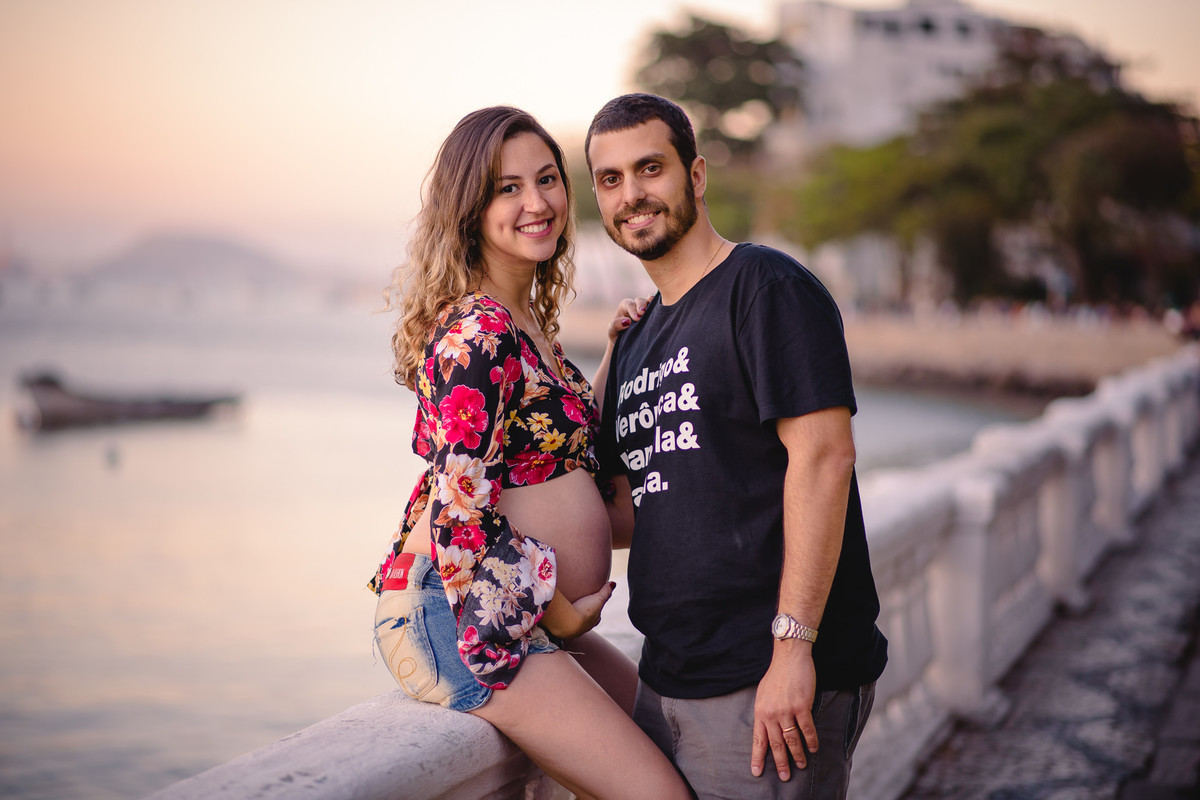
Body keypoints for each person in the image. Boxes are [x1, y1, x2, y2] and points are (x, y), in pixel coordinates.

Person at [368, 106, 691, 799]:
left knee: (678, 749)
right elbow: (459, 511)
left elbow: (565, 449)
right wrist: (555, 613)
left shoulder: (526, 327)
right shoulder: (477, 333)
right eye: (507, 188)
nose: (537, 202)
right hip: (461, 612)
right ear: (470, 208)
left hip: (515, 609)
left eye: (547, 180)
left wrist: (614, 349)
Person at [585, 93, 889, 799]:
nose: (632, 194)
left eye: (650, 168)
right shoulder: (638, 338)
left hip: (765, 684)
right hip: (668, 679)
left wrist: (792, 650)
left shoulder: (764, 287)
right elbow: (641, 509)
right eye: (611, 179)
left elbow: (825, 458)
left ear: (695, 176)